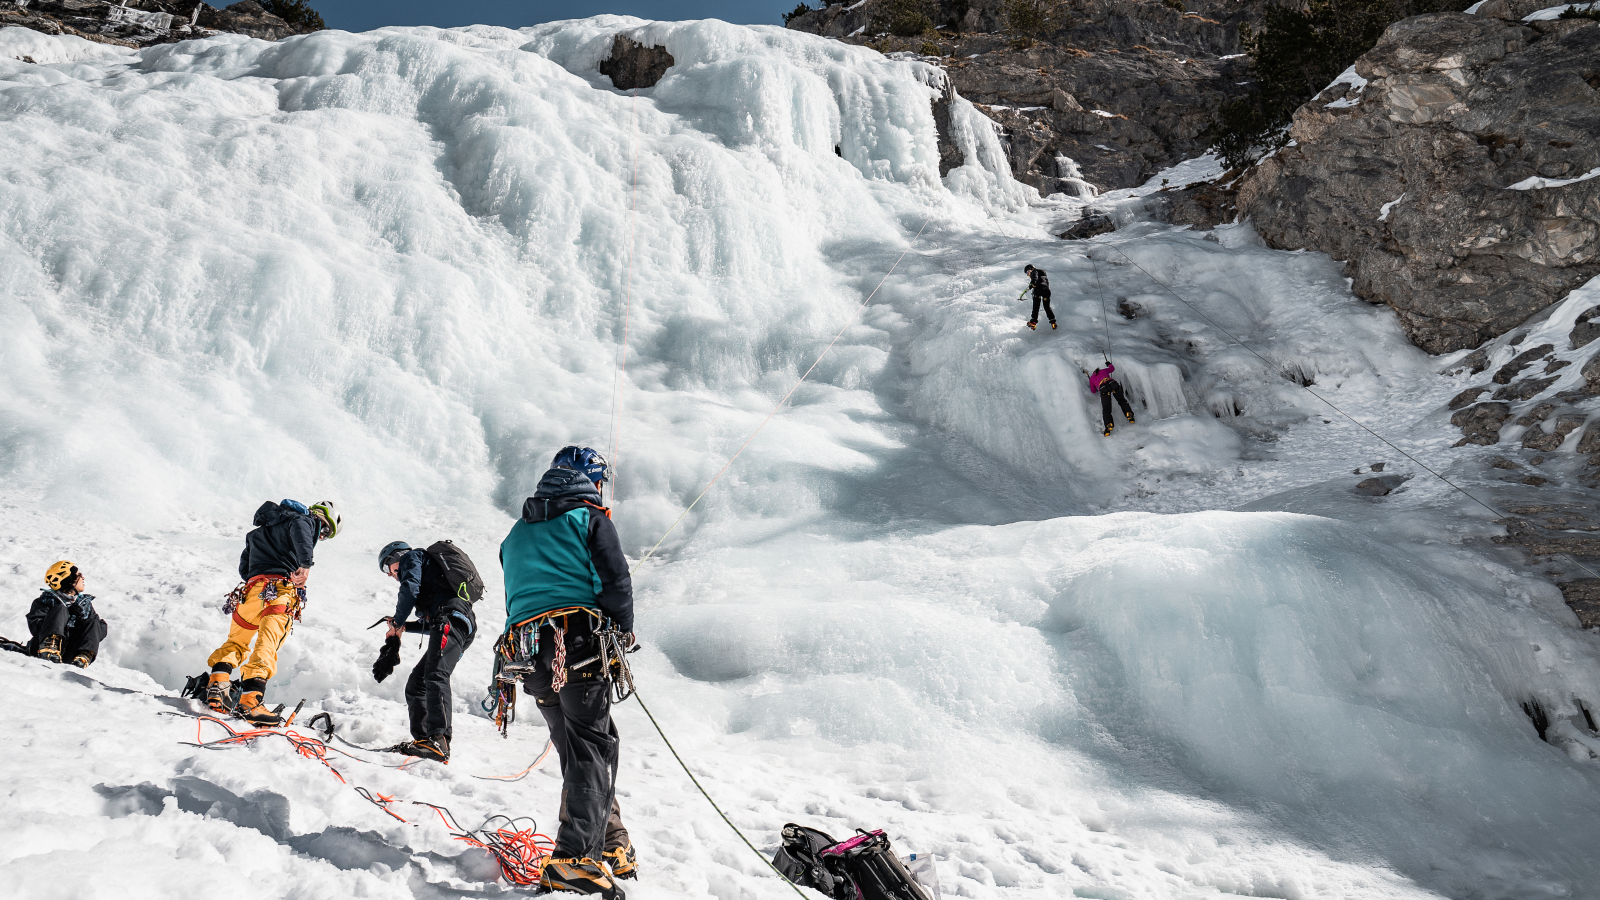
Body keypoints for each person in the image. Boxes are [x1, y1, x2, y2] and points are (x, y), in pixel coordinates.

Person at [501, 446, 636, 897]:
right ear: (589, 481)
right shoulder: (591, 519)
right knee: (594, 749)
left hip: (529, 655)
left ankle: (611, 843)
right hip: (576, 644)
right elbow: (614, 581)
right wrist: (622, 632)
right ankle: (575, 858)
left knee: (580, 751)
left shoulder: (515, 533)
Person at [204, 499, 341, 726]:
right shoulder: (302, 520)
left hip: (251, 592)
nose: (321, 538)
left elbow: (244, 568)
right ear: (323, 523)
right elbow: (301, 531)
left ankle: (218, 681)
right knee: (268, 643)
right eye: (325, 534)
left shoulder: (260, 530)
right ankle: (251, 699)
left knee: (237, 642)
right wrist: (305, 564)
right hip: (278, 592)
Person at [375, 540, 480, 764]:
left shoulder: (412, 557)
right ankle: (424, 741)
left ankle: (438, 740)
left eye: (387, 567)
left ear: (397, 557)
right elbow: (432, 621)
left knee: (435, 674)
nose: (389, 574)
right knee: (417, 684)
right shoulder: (432, 581)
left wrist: (399, 619)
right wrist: (402, 625)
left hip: (450, 619)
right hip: (454, 623)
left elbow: (409, 588)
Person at [28, 561, 108, 668]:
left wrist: (81, 623)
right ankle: (50, 646)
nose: (83, 578)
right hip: (40, 647)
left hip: (69, 653)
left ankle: (83, 656)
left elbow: (98, 631)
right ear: (69, 580)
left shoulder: (84, 604)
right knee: (60, 609)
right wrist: (66, 614)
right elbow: (36, 627)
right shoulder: (45, 601)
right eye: (80, 575)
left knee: (94, 622)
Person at [1088, 362, 1135, 436]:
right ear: (1098, 370)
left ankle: (1108, 425)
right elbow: (1112, 368)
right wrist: (1109, 364)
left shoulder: (1091, 378)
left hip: (1103, 388)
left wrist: (1095, 385)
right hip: (1112, 383)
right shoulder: (1103, 370)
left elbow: (1093, 391)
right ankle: (1129, 414)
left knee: (1106, 409)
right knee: (1121, 400)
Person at [1023, 264, 1057, 331]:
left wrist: (1031, 284)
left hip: (1038, 290)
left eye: (1027, 272)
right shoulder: (1043, 274)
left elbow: (1035, 278)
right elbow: (1046, 283)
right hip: (1046, 291)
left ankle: (1033, 322)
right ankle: (1053, 322)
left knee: (1036, 307)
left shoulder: (1034, 271)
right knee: (1047, 307)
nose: (1027, 274)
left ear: (1030, 269)